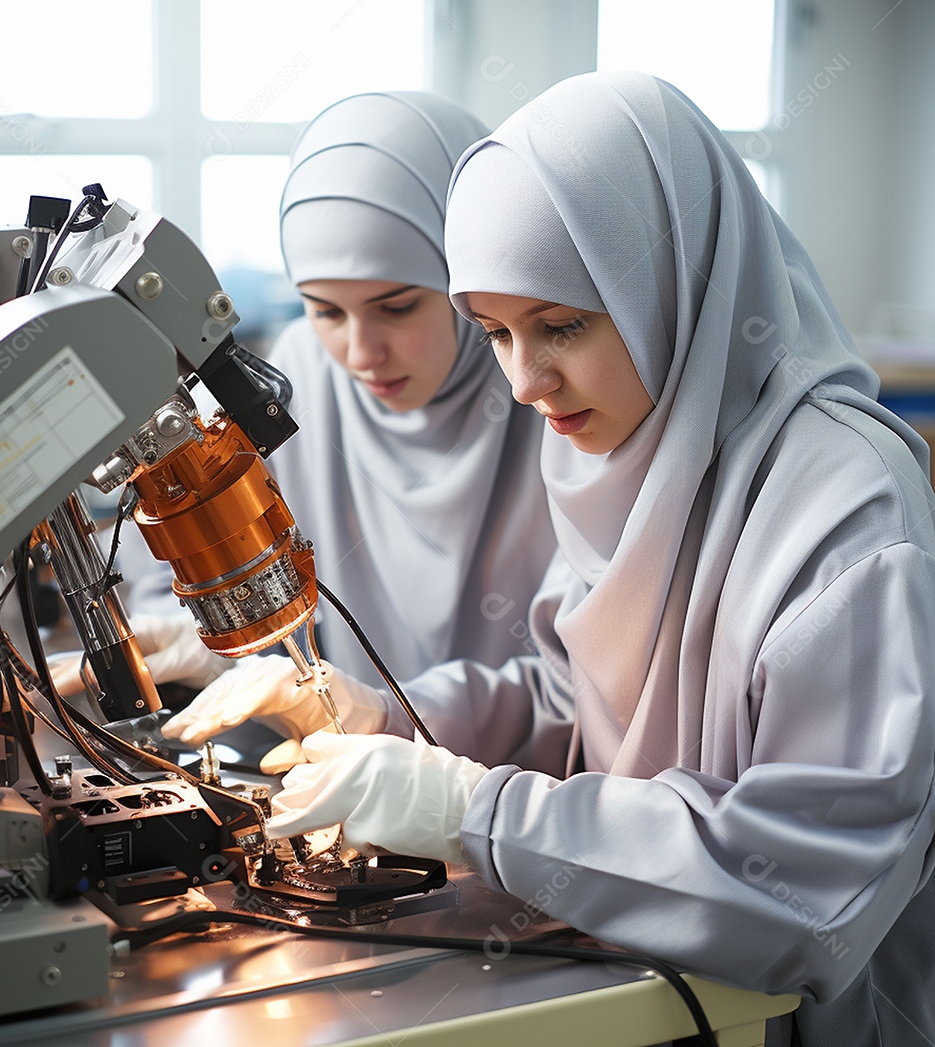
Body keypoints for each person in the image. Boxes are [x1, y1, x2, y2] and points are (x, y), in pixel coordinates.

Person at [213, 72, 935, 1046]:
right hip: (656, 986)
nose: (522, 380)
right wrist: (388, 717)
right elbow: (573, 710)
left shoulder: (846, 503)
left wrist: (476, 811)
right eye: (496, 333)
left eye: (561, 325)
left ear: (674, 281)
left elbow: (803, 889)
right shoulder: (615, 447)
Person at [154, 92, 557, 754]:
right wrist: (200, 646)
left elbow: (580, 692)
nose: (360, 355)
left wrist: (389, 717)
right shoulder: (301, 375)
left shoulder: (558, 401)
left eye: (396, 308)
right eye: (326, 312)